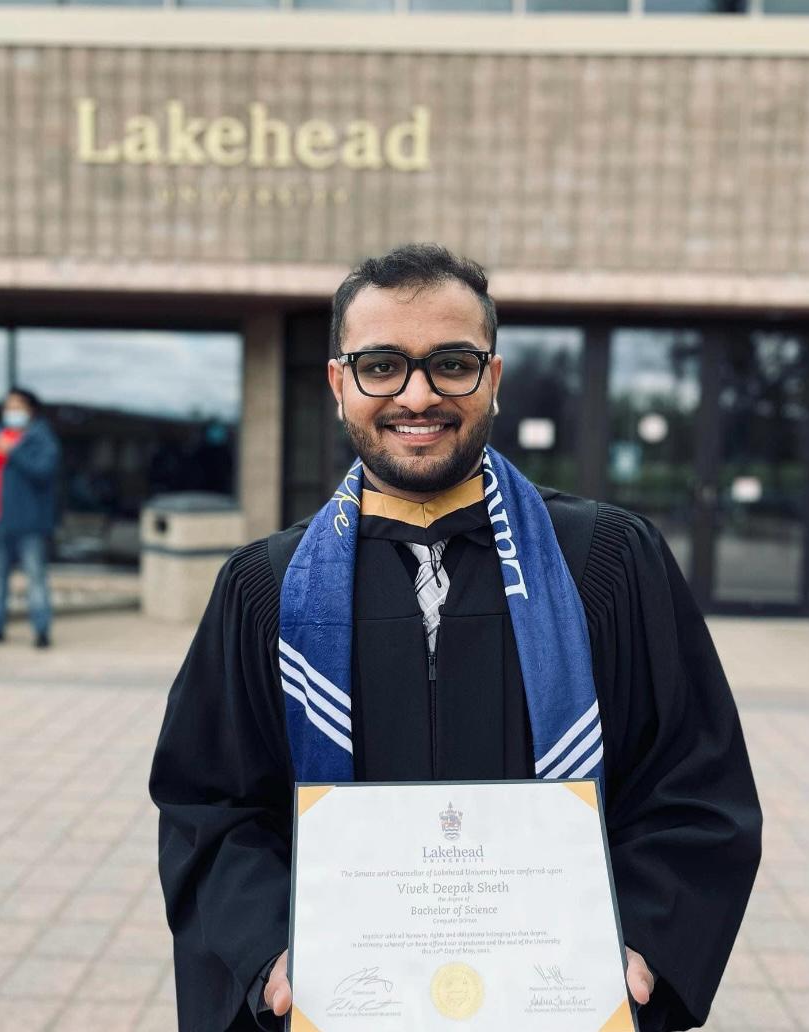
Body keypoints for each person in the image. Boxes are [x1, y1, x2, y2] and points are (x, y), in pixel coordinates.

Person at [150, 244, 761, 1032]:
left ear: (492, 380)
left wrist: (647, 938)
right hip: (344, 1004)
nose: (417, 394)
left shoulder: (606, 564)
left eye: (450, 363)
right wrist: (269, 950)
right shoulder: (264, 587)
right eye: (381, 366)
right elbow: (211, 805)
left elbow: (692, 783)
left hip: (556, 1003)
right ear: (340, 385)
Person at [0, 387, 61, 648]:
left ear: (30, 410)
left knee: (35, 578)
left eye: (17, 406)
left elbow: (44, 472)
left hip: (29, 525)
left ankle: (41, 631)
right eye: (8, 406)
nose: (11, 411)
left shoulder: (42, 438)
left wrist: (13, 451)